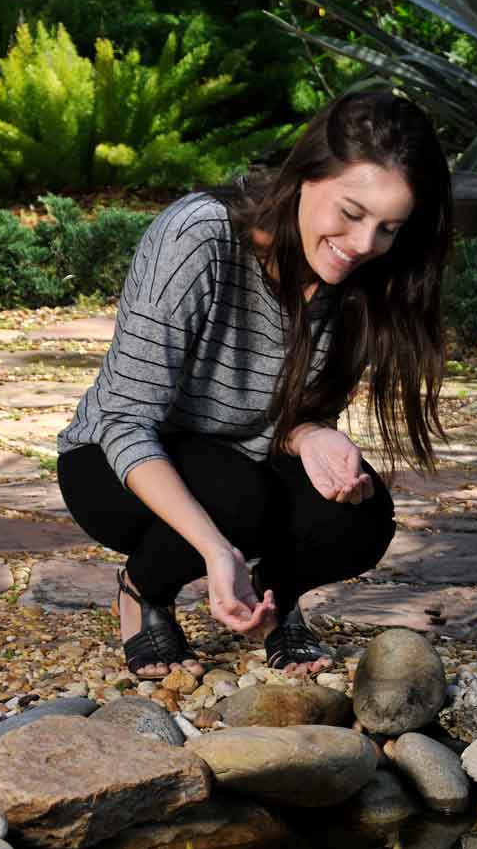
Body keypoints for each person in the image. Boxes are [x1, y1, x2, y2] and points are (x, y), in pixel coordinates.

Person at [56, 91, 451, 678]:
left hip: (244, 466)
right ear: (306, 177)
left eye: (388, 228)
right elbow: (124, 421)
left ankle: (276, 598)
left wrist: (313, 434)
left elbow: (281, 421)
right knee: (237, 499)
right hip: (118, 461)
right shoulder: (198, 235)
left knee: (360, 515)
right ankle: (144, 590)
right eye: (351, 212)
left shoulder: (364, 276)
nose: (365, 244)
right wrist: (216, 550)